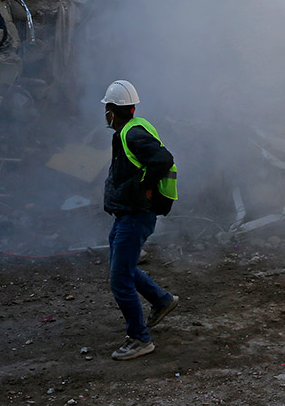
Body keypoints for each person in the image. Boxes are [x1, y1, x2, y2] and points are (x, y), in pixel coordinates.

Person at [100, 79, 179, 361]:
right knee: (122, 267)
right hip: (127, 214)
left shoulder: (131, 134)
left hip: (136, 215)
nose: (105, 115)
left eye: (106, 109)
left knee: (120, 278)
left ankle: (139, 339)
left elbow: (163, 159)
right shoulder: (133, 128)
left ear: (112, 110)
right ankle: (162, 300)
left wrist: (144, 184)